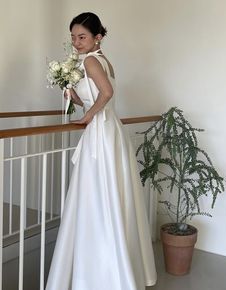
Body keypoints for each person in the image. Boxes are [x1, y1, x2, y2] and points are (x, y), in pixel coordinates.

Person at [45, 12, 157, 290]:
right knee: (109, 193)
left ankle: (101, 272)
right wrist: (75, 98)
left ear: (98, 37)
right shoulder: (102, 60)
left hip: (102, 133)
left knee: (97, 192)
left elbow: (106, 95)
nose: (76, 42)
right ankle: (115, 265)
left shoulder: (93, 61)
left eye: (82, 36)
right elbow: (98, 99)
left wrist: (85, 118)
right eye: (72, 36)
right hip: (110, 131)